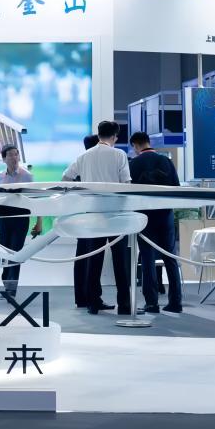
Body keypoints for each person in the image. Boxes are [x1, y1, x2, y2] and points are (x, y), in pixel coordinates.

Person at [71, 121, 132, 315]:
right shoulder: (119, 154)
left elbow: (66, 177)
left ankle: (93, 303)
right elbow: (126, 184)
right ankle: (124, 305)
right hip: (115, 215)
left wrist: (82, 195)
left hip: (93, 215)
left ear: (98, 135)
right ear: (114, 137)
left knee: (93, 260)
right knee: (120, 262)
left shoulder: (84, 156)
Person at [129, 132, 183, 315]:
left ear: (136, 145)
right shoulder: (166, 161)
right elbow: (176, 188)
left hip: (144, 217)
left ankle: (152, 303)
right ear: (148, 142)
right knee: (170, 258)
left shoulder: (133, 164)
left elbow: (128, 192)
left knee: (147, 259)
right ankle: (175, 302)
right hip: (165, 215)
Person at [0, 145, 43, 295]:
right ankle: (7, 283)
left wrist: (39, 222)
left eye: (16, 154)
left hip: (21, 219)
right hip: (4, 219)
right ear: (4, 159)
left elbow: (36, 200)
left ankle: (11, 288)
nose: (14, 158)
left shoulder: (27, 176)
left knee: (16, 252)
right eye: (10, 155)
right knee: (5, 252)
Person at [67, 134, 99, 309]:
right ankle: (90, 297)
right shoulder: (92, 165)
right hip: (92, 216)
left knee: (82, 257)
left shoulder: (80, 163)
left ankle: (81, 297)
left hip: (80, 216)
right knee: (91, 258)